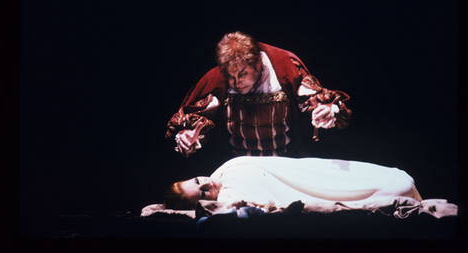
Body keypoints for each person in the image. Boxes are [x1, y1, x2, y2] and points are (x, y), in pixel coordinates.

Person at [166, 31, 352, 158]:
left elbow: (317, 100)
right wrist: (187, 136)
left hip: (288, 159)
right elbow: (191, 120)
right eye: (231, 76)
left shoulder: (284, 67)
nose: (236, 83)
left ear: (258, 65)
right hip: (240, 165)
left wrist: (328, 110)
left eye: (242, 74)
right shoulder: (217, 80)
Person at [163, 156, 423, 210]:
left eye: (198, 180)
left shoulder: (225, 167)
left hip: (312, 171)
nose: (206, 184)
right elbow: (233, 205)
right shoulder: (227, 196)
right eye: (201, 193)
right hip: (305, 189)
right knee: (394, 189)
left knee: (389, 176)